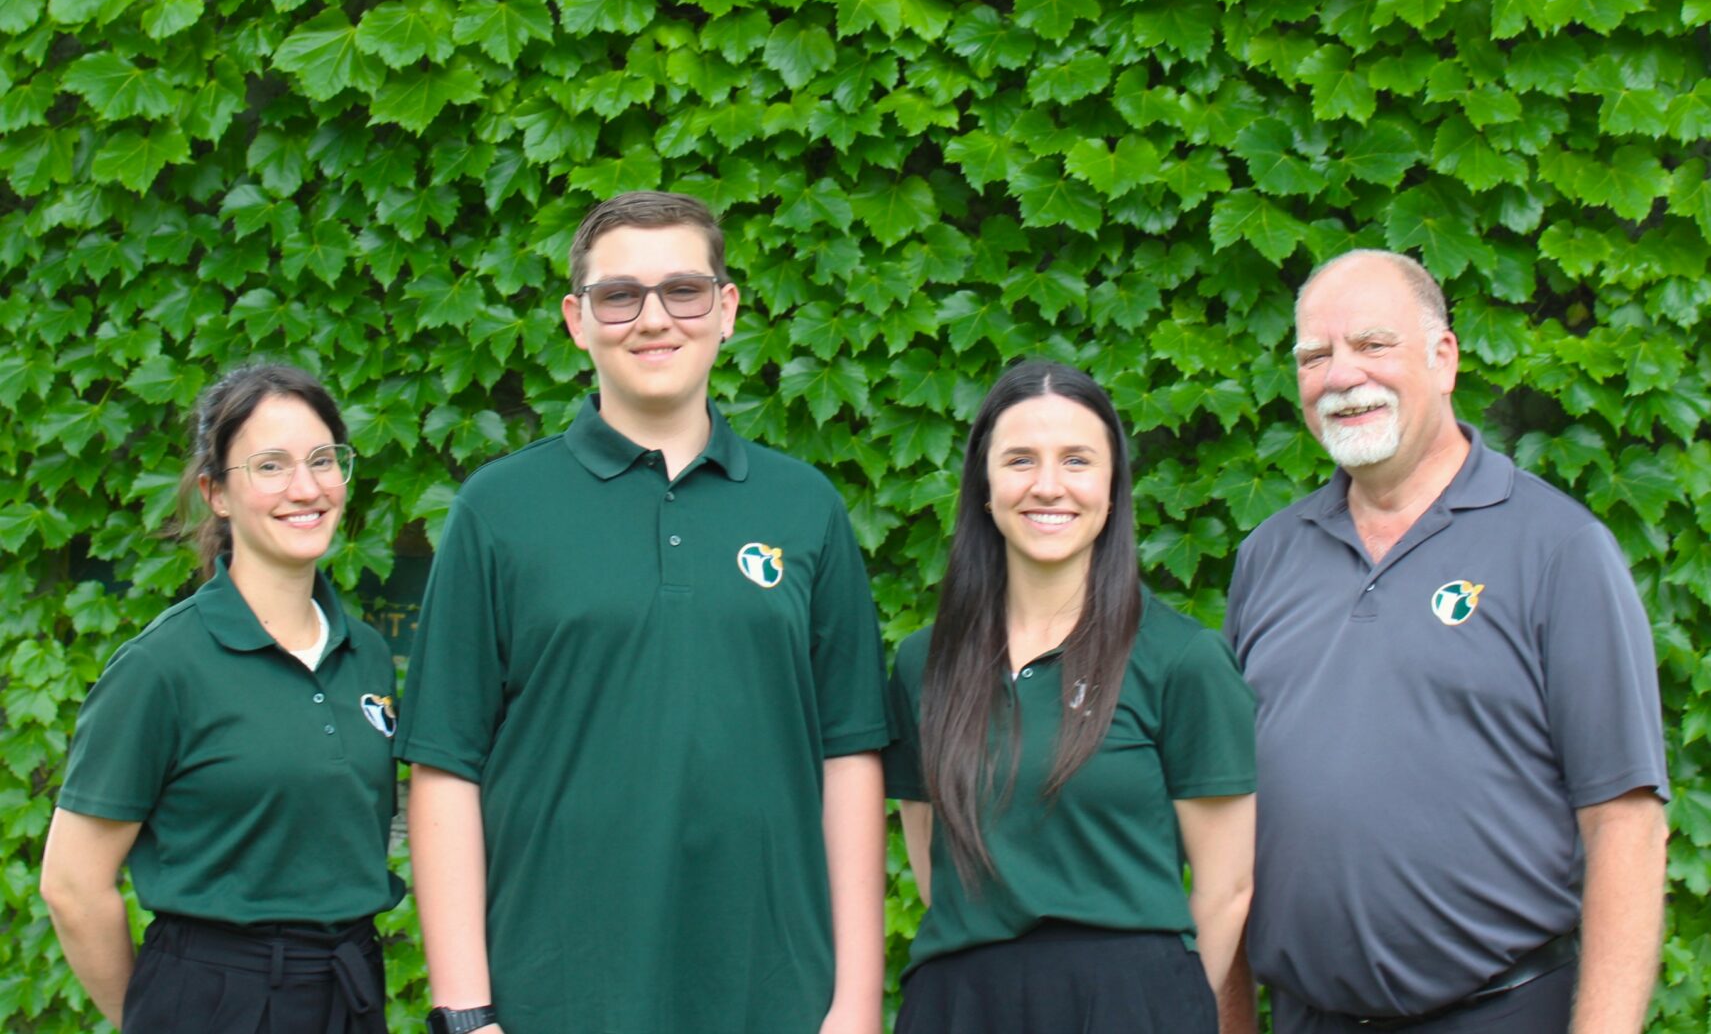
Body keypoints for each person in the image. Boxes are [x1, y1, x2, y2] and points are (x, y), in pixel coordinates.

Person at [394, 191, 890, 1034]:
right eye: (619, 295)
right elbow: (446, 766)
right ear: (576, 320)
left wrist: (854, 1005)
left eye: (683, 291)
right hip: (554, 995)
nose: (653, 319)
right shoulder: (498, 509)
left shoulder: (803, 508)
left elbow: (849, 761)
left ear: (726, 310)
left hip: (773, 996)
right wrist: (466, 1014)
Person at [1220, 250, 1670, 1033]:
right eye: (1313, 356)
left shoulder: (1556, 548)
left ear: (1444, 358)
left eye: (1371, 344)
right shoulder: (1267, 556)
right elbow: (1222, 818)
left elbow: (1623, 823)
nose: (1340, 375)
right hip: (1304, 1017)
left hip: (1496, 1014)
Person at [883, 360, 1257, 1034]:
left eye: (1076, 461)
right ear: (984, 486)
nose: (1047, 486)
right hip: (959, 1005)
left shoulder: (1181, 660)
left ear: (1112, 487)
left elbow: (1226, 888)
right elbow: (931, 850)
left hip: (1129, 1003)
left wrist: (1155, 1011)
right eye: (1020, 460)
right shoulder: (923, 664)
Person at [41, 364, 402, 1033]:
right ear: (216, 493)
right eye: (270, 465)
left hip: (348, 986)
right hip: (214, 998)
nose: (307, 487)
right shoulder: (161, 668)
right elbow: (71, 885)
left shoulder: (367, 655)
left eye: (323, 460)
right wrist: (161, 1016)